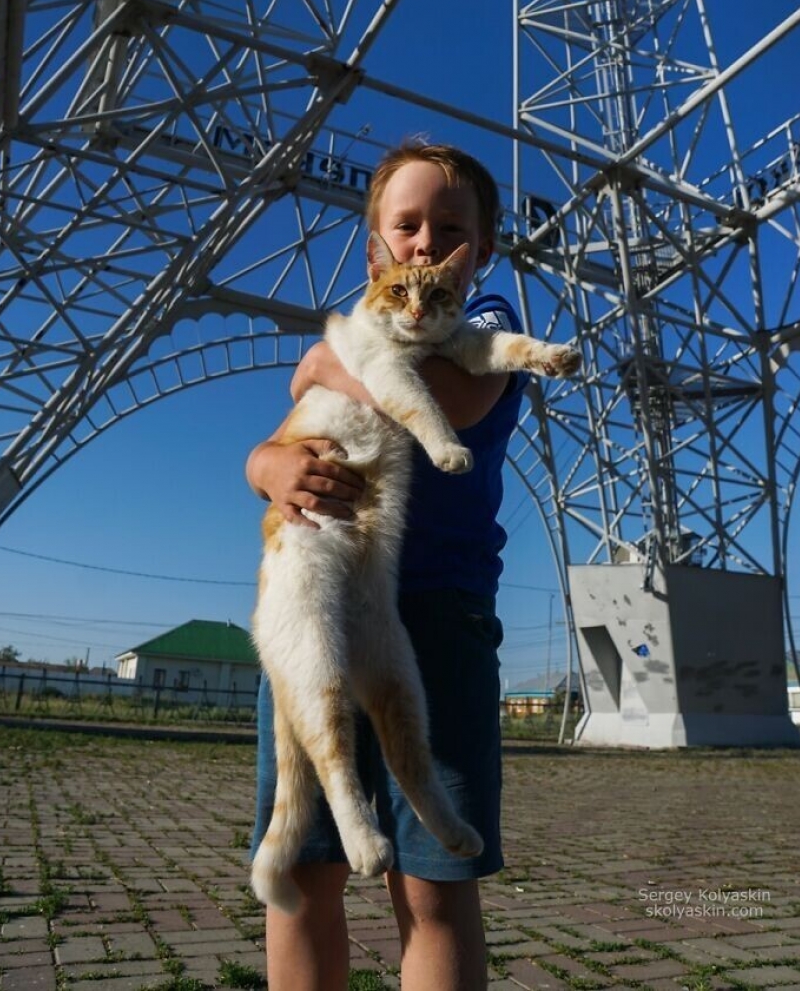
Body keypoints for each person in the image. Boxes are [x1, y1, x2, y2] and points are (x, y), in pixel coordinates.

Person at [245, 141, 530, 991]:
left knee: (432, 887)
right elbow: (285, 436)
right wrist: (263, 466)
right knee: (302, 872)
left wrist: (330, 360)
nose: (423, 243)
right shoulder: (367, 321)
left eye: (450, 228)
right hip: (316, 600)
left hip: (438, 615)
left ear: (479, 250)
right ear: (374, 248)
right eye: (404, 225)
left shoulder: (485, 324)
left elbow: (448, 400)